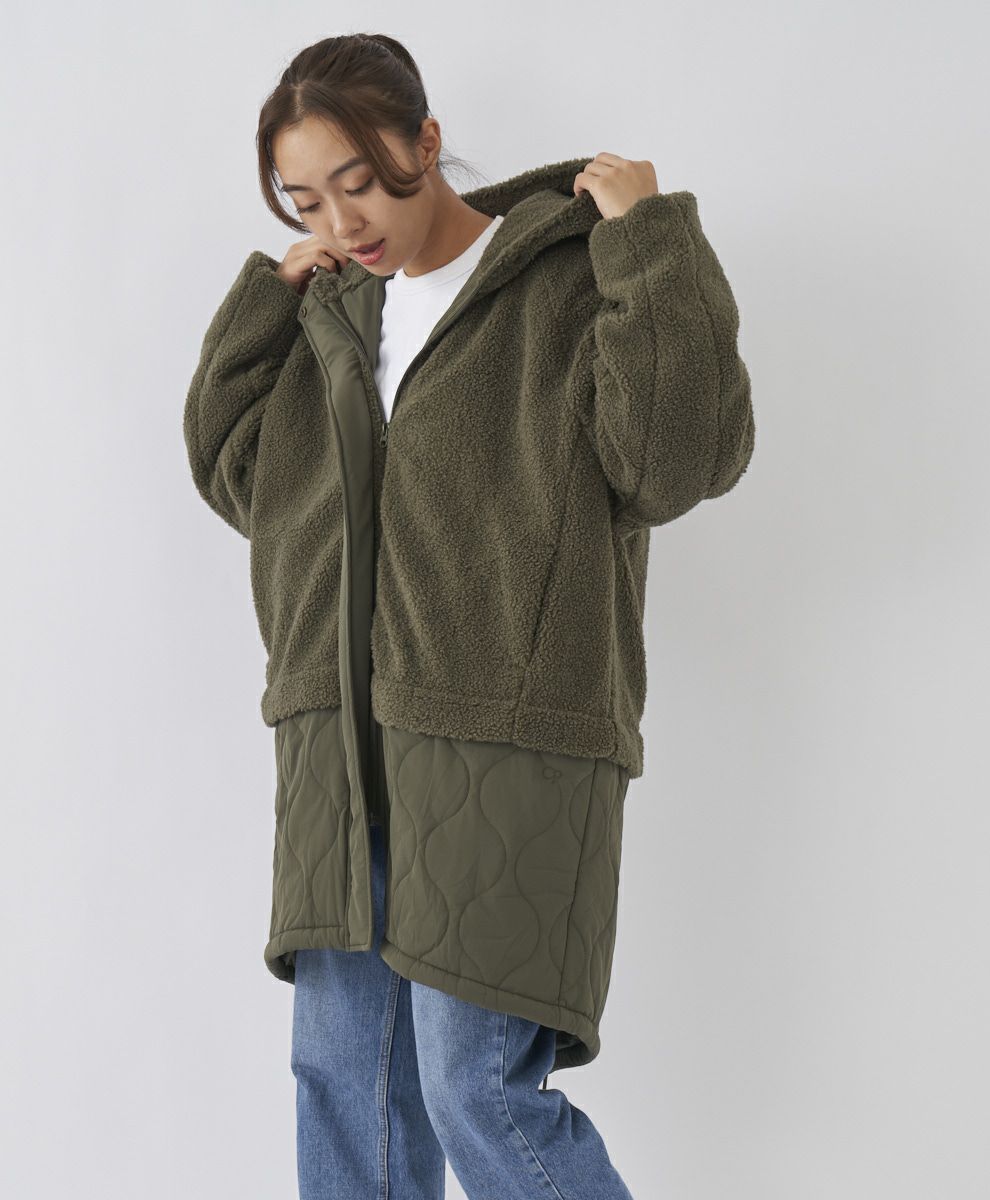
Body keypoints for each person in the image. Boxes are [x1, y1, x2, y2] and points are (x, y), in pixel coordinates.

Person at [183, 30, 754, 1200]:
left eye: (357, 180)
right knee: (344, 1090)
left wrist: (648, 241)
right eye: (305, 199)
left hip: (507, 735)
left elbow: (676, 459)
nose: (340, 221)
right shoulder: (338, 317)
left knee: (476, 1092)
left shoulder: (565, 277)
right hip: (339, 749)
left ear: (425, 141)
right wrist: (264, 306)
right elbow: (241, 476)